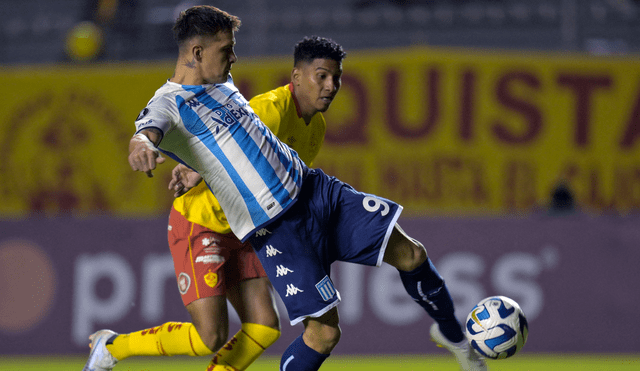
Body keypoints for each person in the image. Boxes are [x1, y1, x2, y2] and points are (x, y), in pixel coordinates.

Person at [126, 5, 487, 371]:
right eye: (226, 50)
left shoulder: (222, 85)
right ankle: (116, 348)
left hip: (316, 192)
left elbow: (230, 141)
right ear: (197, 53)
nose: (234, 56)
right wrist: (144, 146)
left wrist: (193, 168)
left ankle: (454, 338)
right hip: (277, 227)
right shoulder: (168, 103)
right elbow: (148, 131)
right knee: (324, 335)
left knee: (411, 254)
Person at [82, 34, 347, 371]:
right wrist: (195, 169)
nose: (331, 85)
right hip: (203, 220)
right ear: (296, 77)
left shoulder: (316, 126)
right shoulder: (271, 108)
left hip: (245, 228)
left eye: (336, 78)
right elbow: (226, 137)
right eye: (322, 76)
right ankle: (114, 345)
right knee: (211, 336)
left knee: (264, 326)